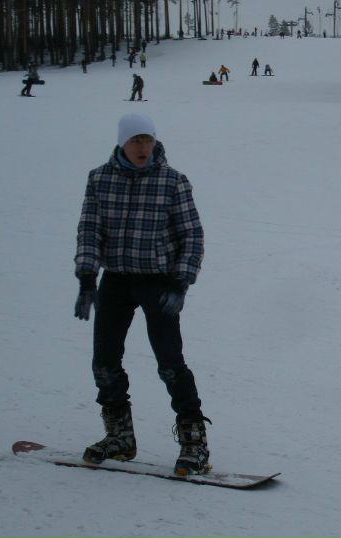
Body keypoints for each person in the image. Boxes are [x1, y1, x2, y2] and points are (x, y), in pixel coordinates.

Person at [74, 112, 209, 476]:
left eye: (147, 140)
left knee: (169, 362)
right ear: (122, 142)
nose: (142, 147)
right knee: (104, 361)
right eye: (135, 140)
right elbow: (90, 230)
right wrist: (87, 276)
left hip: (158, 281)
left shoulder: (172, 182)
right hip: (116, 279)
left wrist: (181, 282)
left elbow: (191, 236)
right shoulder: (99, 179)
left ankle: (194, 441)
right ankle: (119, 437)